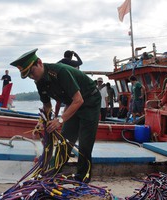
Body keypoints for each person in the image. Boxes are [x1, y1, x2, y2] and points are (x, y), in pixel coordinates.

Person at [10, 48, 101, 183]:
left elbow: (79, 99)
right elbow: (47, 106)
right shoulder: (39, 82)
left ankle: (82, 179)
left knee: (85, 144)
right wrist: (42, 121)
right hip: (72, 104)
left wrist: (60, 119)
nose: (32, 77)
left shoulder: (60, 72)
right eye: (28, 75)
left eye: (32, 72)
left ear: (39, 63)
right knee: (65, 141)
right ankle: (51, 174)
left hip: (89, 101)